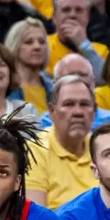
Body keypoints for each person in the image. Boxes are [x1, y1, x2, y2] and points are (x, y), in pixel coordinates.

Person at [27, 74, 97, 209]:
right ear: (52, 111)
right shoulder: (35, 150)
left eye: (84, 104)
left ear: (94, 112)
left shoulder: (101, 147)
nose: (78, 112)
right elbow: (35, 217)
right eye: (69, 104)